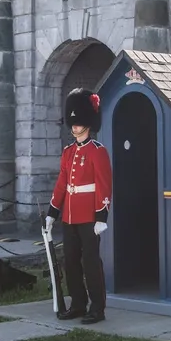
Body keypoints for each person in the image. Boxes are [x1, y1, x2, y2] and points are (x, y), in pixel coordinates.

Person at [46, 87, 112, 324]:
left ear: (88, 123)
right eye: (72, 123)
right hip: (70, 216)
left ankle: (98, 308)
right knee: (70, 261)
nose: (74, 126)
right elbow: (62, 184)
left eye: (79, 122)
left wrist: (101, 217)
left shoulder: (98, 152)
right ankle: (78, 303)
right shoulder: (68, 152)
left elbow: (104, 186)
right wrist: (53, 212)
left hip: (89, 217)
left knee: (91, 263)